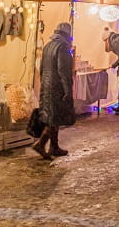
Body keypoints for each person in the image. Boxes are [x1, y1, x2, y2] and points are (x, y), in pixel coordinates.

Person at [32, 22, 75, 159]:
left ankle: (54, 146)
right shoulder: (63, 47)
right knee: (54, 117)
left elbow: (42, 68)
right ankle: (41, 144)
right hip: (57, 86)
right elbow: (63, 70)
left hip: (46, 84)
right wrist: (68, 89)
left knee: (52, 116)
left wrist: (44, 82)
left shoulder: (48, 46)